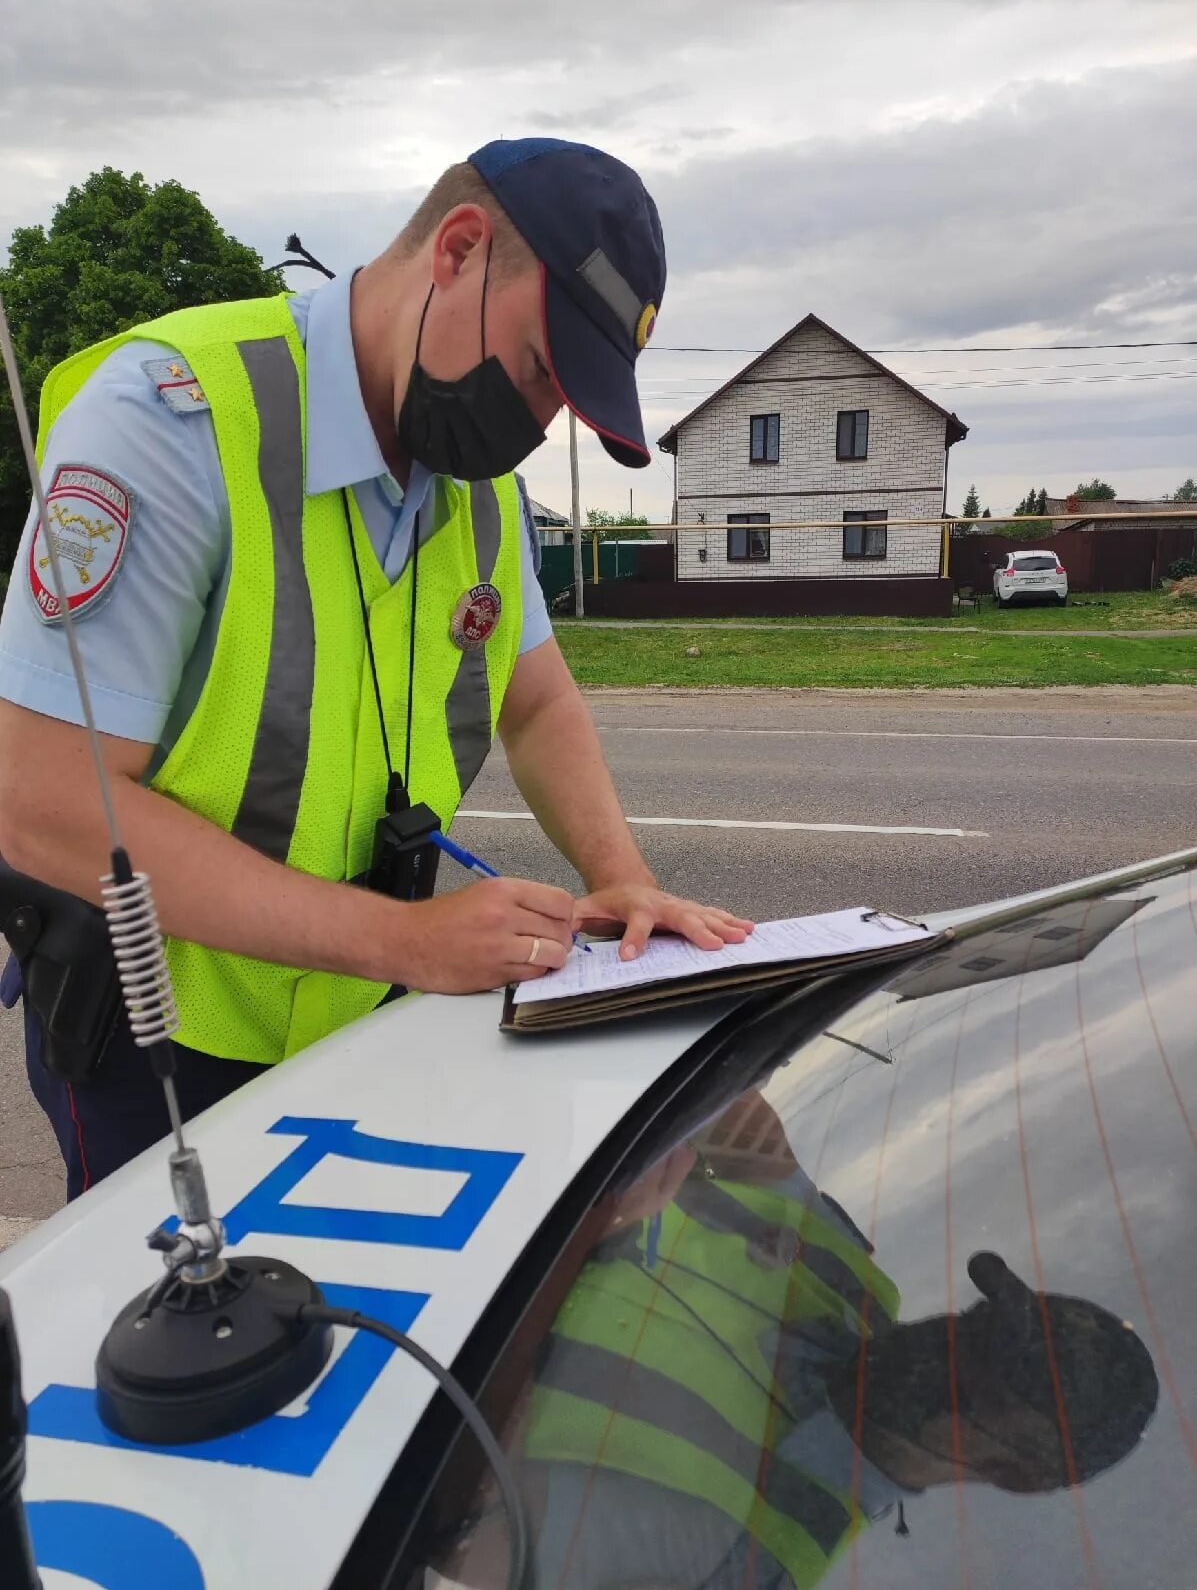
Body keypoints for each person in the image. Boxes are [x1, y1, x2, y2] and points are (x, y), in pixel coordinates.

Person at [0, 137, 752, 1198]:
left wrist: (619, 877)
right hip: (159, 1040)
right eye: (540, 372)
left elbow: (536, 700)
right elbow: (42, 802)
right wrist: (407, 941)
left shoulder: (477, 488)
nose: (534, 426)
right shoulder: (171, 418)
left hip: (364, 1014)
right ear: (457, 249)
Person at [432, 1111, 1160, 1588]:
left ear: (1017, 1475)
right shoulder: (847, 1278)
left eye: (979, 1382)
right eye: (974, 1329)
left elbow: (448, 1526)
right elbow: (734, 1119)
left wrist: (580, 1238)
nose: (940, 1351)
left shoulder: (745, 1554)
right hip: (454, 1145)